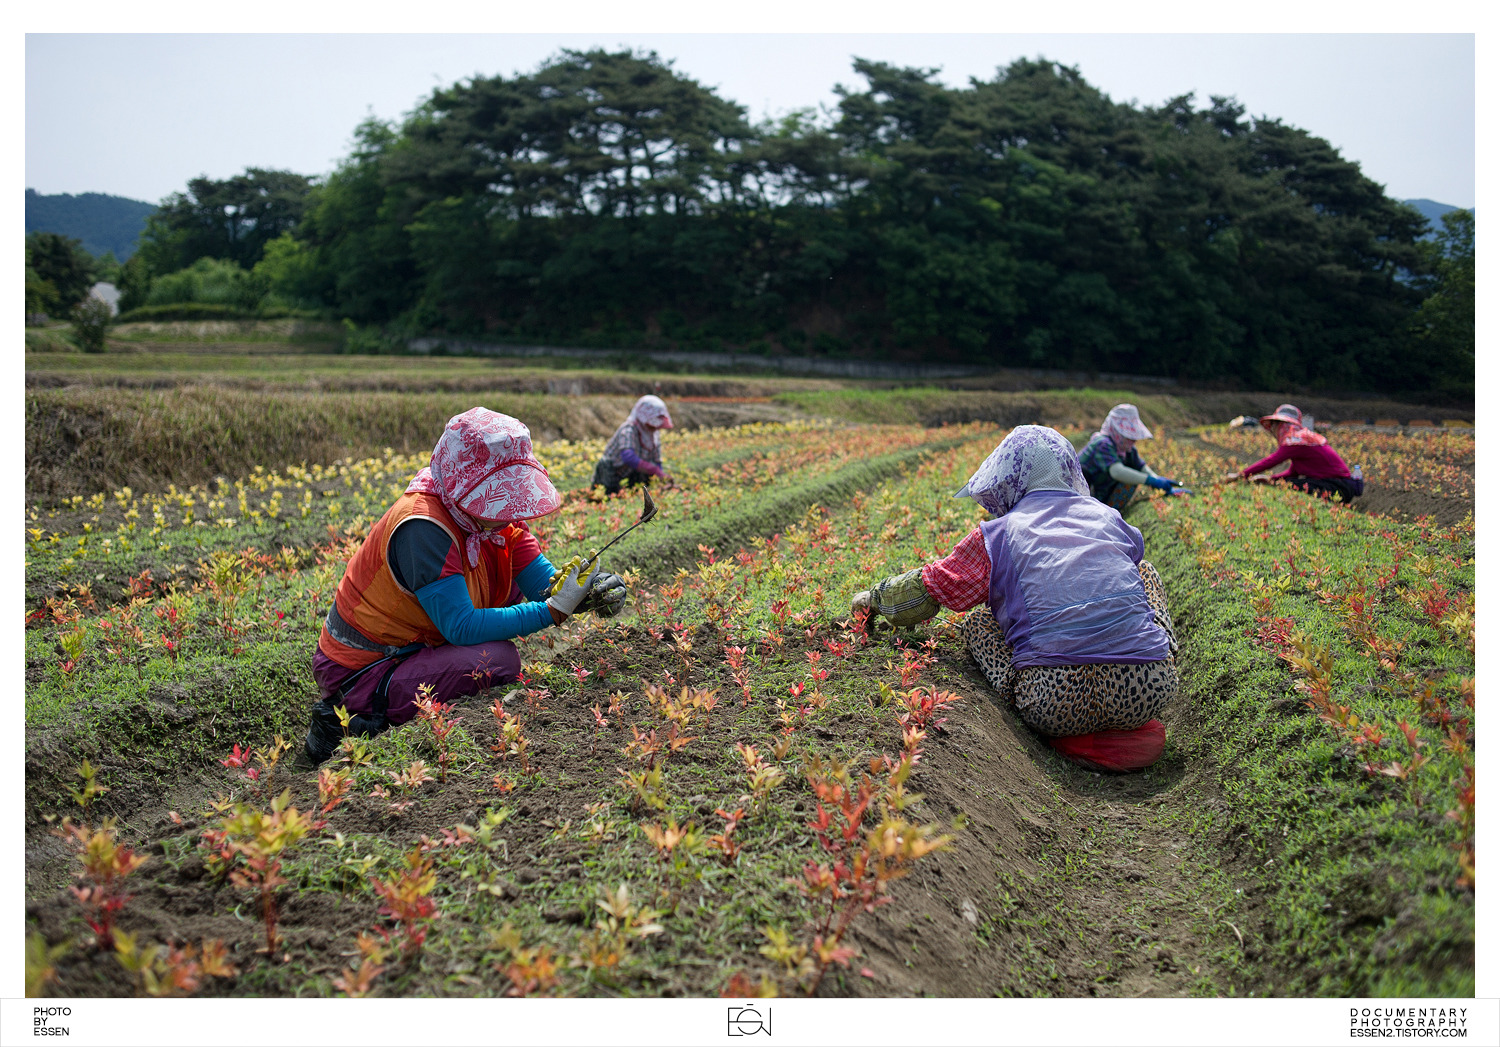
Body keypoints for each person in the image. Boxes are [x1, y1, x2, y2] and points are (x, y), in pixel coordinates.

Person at [301, 408, 628, 766]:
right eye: (499, 493)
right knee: (498, 660)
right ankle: (351, 719)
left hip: (420, 644)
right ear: (465, 485)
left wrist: (589, 592)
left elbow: (541, 585)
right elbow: (462, 626)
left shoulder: (492, 520)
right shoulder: (423, 528)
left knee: (503, 618)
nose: (509, 509)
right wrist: (552, 611)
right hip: (368, 667)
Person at [851, 425, 1178, 772]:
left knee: (978, 622)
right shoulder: (1108, 516)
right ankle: (1164, 656)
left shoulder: (996, 535)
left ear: (1008, 476)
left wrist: (874, 599)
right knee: (1145, 571)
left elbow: (929, 588)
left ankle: (1047, 714)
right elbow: (1129, 563)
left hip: (1054, 702)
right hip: (1147, 688)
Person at [1226, 404, 1361, 502]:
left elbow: (1271, 461)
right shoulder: (1302, 440)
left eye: (1275, 425)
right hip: (1337, 485)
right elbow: (1293, 472)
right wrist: (1271, 479)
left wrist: (1240, 475)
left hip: (1337, 486)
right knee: (1289, 482)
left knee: (1291, 485)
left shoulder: (1296, 441)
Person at [1076, 404, 1185, 509]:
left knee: (1132, 476)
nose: (1133, 440)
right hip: (1082, 498)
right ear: (1116, 431)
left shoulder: (1126, 449)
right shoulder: (1103, 444)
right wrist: (1150, 481)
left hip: (1100, 494)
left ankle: (1111, 511)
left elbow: (1141, 467)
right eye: (1128, 436)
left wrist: (1160, 482)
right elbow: (1117, 471)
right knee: (1128, 477)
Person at [593, 395, 676, 495]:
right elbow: (628, 457)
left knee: (644, 478)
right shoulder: (629, 429)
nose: (655, 427)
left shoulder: (653, 434)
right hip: (612, 472)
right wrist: (654, 470)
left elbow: (656, 460)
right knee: (607, 494)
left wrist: (661, 476)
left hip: (630, 474)